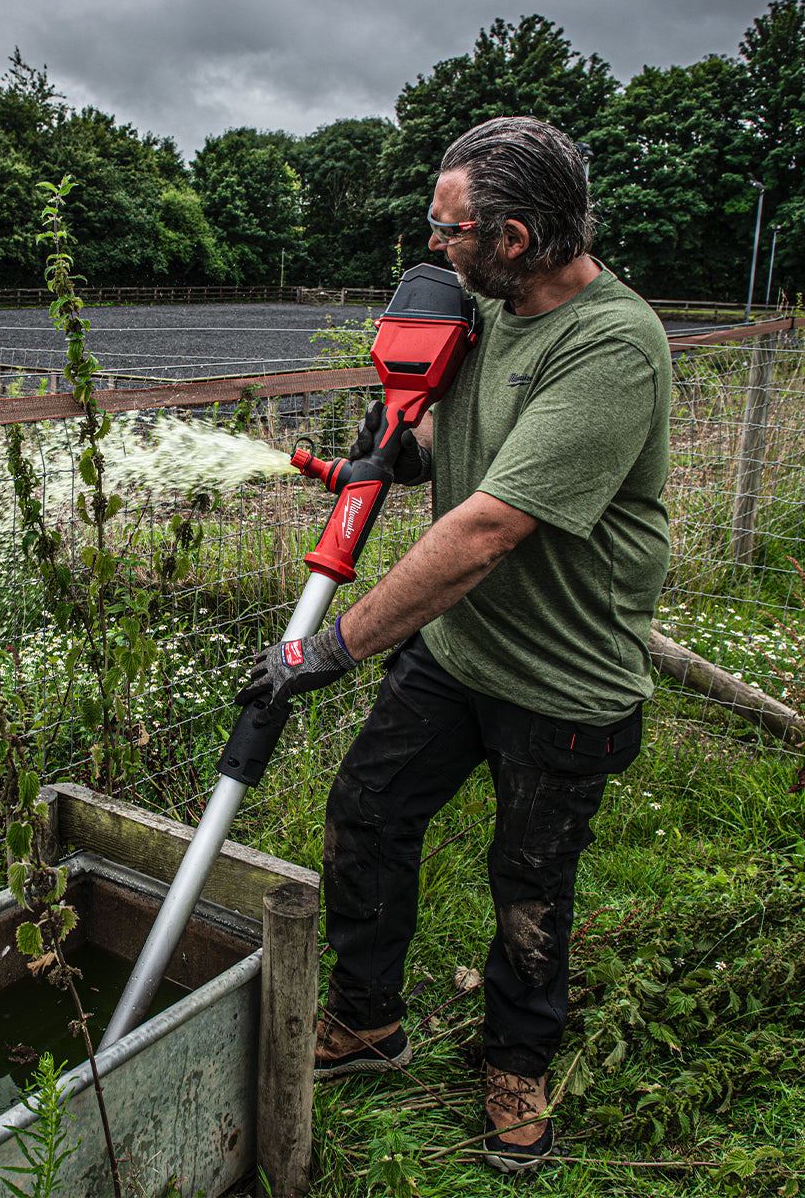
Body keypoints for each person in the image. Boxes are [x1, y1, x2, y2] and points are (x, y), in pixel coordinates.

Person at [237, 115, 671, 1172]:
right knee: (367, 812)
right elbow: (450, 437)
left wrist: (330, 647)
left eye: (450, 228)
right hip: (462, 650)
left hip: (562, 679)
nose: (436, 245)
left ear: (513, 236)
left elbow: (485, 530)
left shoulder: (611, 346)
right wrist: (389, 447)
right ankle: (369, 1017)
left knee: (529, 883)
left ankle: (517, 1065)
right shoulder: (493, 313)